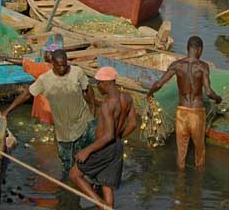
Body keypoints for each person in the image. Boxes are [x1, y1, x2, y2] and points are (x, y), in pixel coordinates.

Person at [147, 36, 221, 170]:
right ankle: (197, 186)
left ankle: (179, 186)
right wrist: (218, 99)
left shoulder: (177, 65)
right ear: (199, 49)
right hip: (197, 113)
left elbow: (159, 83)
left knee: (181, 154)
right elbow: (209, 92)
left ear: (187, 48)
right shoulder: (203, 66)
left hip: (181, 112)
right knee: (200, 152)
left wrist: (149, 94)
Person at [69, 66, 137, 209]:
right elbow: (133, 124)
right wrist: (118, 138)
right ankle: (106, 207)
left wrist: (87, 150)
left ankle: (101, 205)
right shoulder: (127, 98)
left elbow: (107, 135)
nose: (97, 86)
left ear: (105, 83)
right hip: (115, 146)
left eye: (98, 83)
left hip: (103, 147)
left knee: (74, 174)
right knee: (106, 185)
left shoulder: (107, 105)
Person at [27, 49, 97, 178]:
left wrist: (93, 106)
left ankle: (89, 183)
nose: (63, 68)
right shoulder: (45, 79)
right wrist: (7, 111)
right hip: (63, 130)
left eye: (65, 64)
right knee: (67, 163)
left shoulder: (77, 72)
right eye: (59, 65)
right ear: (53, 63)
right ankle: (70, 188)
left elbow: (87, 87)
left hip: (83, 122)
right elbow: (27, 94)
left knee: (87, 157)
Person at [0, 43, 63, 125]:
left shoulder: (43, 68)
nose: (44, 54)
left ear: (51, 55)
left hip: (46, 113)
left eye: (46, 52)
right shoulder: (63, 69)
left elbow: (25, 62)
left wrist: (5, 58)